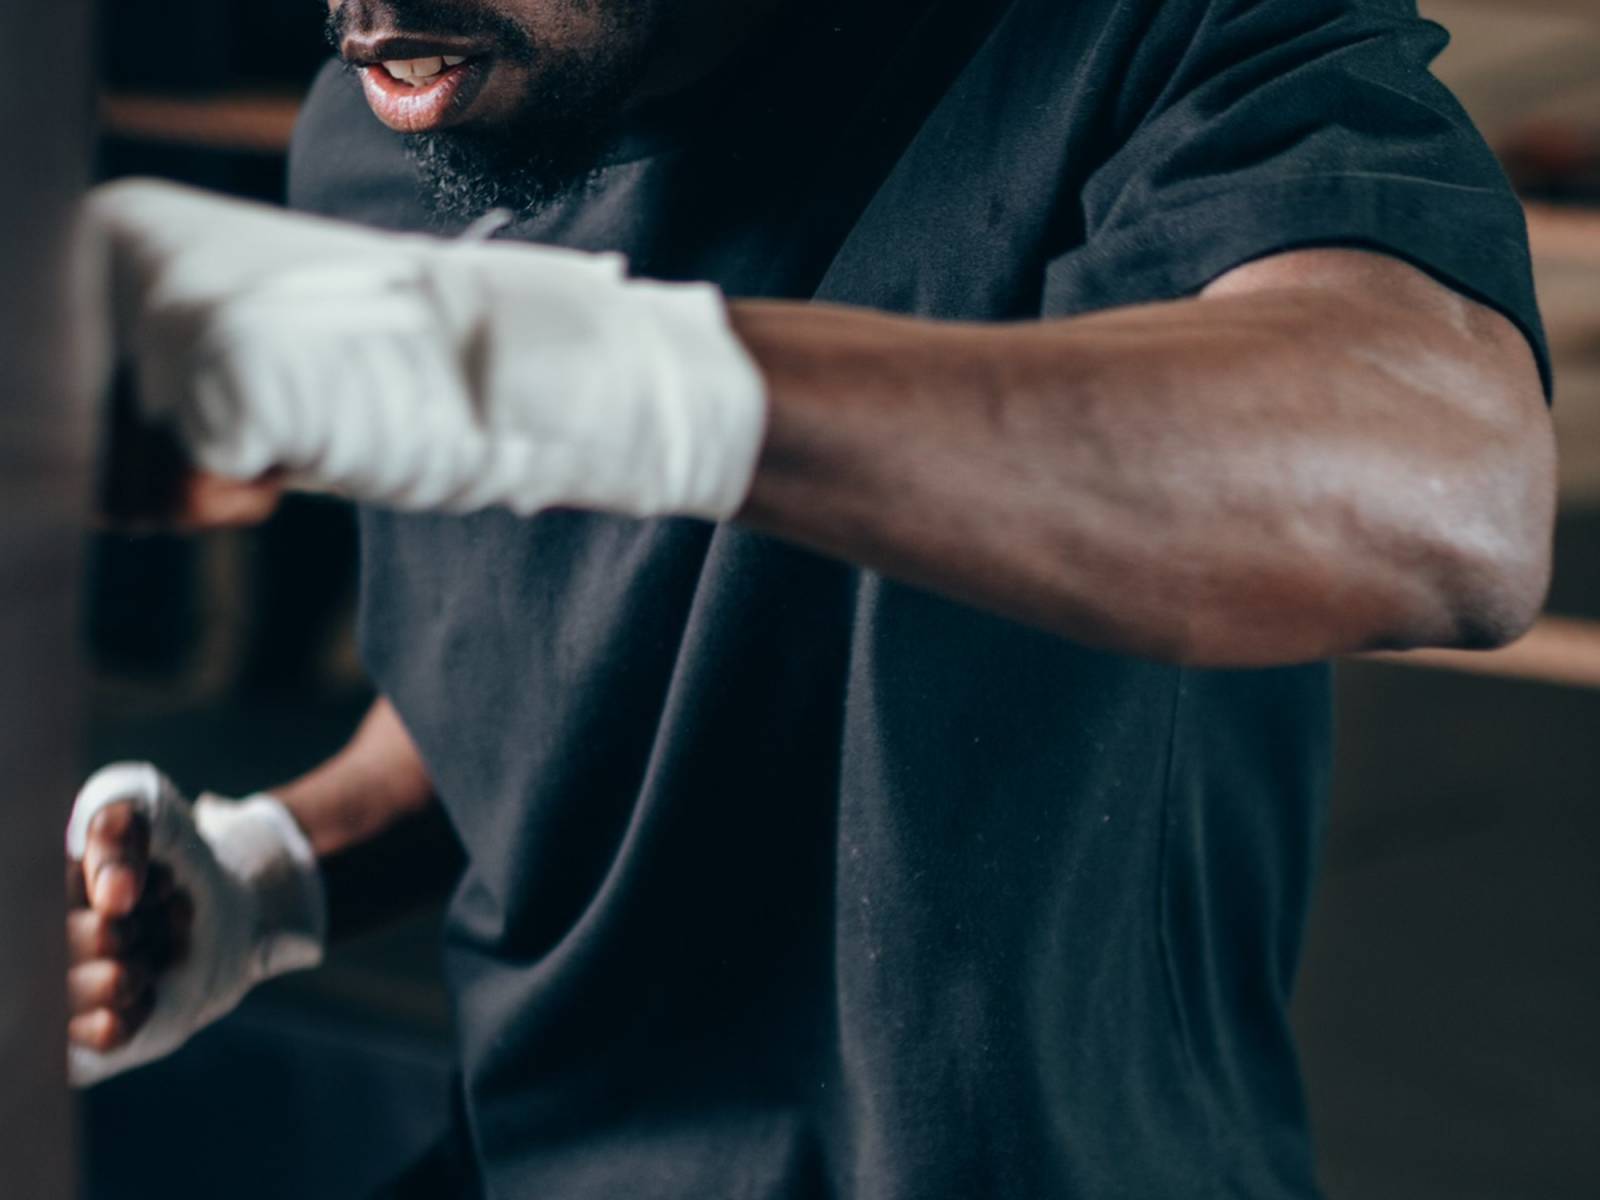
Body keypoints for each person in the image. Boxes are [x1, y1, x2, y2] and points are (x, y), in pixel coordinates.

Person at [65, 0, 1558, 1196]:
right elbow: (529, 659)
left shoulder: (1130, 40)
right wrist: (270, 876)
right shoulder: (405, 127)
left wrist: (502, 368)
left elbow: (1456, 488)